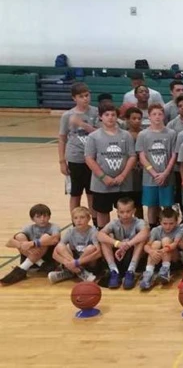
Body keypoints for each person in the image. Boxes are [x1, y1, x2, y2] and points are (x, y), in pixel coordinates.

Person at [85, 104, 137, 228]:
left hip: (123, 183)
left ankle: (124, 235)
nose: (110, 117)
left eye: (113, 115)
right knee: (102, 212)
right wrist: (103, 177)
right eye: (107, 115)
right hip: (101, 184)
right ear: (100, 117)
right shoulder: (93, 136)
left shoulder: (126, 135)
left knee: (125, 212)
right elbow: (89, 158)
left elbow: (132, 156)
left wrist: (123, 175)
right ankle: (104, 236)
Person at [58, 83, 99, 217]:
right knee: (75, 193)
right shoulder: (67, 115)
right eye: (81, 96)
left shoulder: (96, 112)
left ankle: (95, 222)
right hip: (75, 158)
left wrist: (81, 124)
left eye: (87, 95)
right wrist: (62, 161)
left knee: (92, 192)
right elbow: (62, 138)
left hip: (93, 159)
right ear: (74, 98)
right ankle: (75, 221)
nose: (85, 99)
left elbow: (99, 133)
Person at [136, 104, 177, 228]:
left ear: (164, 116)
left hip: (167, 177)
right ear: (149, 116)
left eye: (160, 114)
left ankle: (169, 228)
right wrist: (154, 173)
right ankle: (153, 228)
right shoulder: (143, 134)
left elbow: (174, 155)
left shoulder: (171, 133)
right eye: (154, 114)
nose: (157, 117)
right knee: (152, 206)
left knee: (167, 205)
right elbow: (142, 156)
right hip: (150, 178)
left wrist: (165, 173)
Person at [0, 204, 61, 285]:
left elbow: (55, 240)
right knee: (20, 236)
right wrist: (22, 245)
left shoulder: (53, 227)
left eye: (45, 216)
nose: (42, 219)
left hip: (48, 257)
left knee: (45, 237)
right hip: (35, 259)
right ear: (32, 219)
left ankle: (22, 268)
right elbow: (9, 243)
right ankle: (41, 263)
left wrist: (32, 243)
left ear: (49, 217)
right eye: (38, 217)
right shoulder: (28, 228)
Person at [97, 197, 149, 289]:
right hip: (118, 255)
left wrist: (128, 244)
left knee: (142, 240)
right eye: (122, 212)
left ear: (134, 211)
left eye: (128, 211)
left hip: (134, 255)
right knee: (104, 240)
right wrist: (118, 244)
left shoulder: (139, 222)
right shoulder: (114, 223)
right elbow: (99, 235)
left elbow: (145, 233)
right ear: (117, 212)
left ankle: (131, 271)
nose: (125, 215)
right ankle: (114, 271)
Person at [48, 207, 101, 284]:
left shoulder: (93, 231)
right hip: (73, 260)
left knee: (91, 248)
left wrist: (77, 262)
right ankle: (78, 271)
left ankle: (70, 272)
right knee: (60, 246)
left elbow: (99, 253)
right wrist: (68, 263)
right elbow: (54, 254)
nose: (78, 220)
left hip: (88, 262)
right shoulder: (70, 231)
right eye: (75, 218)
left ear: (89, 218)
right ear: (72, 220)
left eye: (82, 217)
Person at [139, 208, 183, 289]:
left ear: (176, 222)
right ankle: (149, 273)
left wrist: (163, 250)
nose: (168, 226)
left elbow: (175, 244)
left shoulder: (179, 229)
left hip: (174, 258)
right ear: (160, 222)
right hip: (158, 258)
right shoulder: (156, 230)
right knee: (156, 243)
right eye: (165, 223)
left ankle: (165, 269)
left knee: (165, 240)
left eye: (171, 223)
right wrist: (152, 252)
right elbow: (146, 246)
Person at [124, 107, 145, 218]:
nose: (137, 121)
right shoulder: (123, 135)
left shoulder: (146, 133)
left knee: (142, 200)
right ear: (127, 120)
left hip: (145, 170)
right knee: (131, 200)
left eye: (139, 118)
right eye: (134, 118)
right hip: (130, 172)